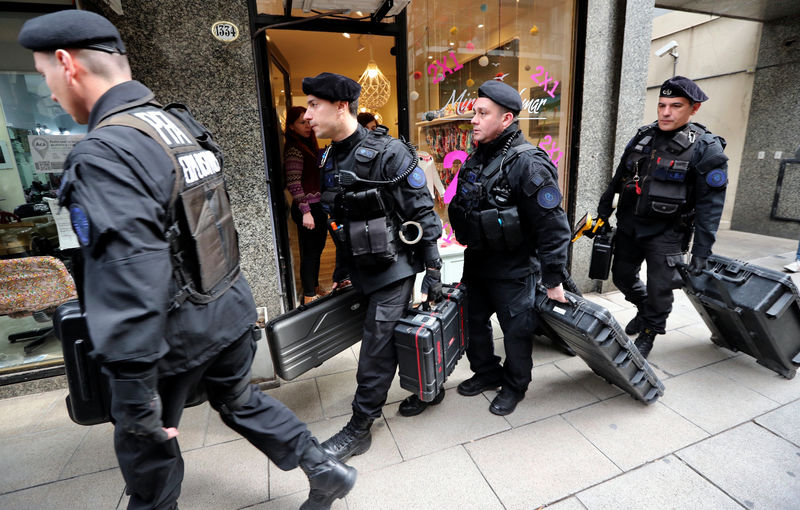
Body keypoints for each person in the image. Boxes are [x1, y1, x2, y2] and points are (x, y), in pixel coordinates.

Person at [19, 10, 355, 510]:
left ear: (67, 64)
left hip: (174, 327)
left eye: (45, 74)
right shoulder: (174, 124)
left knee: (145, 440)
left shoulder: (106, 152)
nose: (48, 91)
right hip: (227, 305)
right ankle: (323, 468)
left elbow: (129, 275)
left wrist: (132, 393)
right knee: (240, 400)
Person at [302, 72, 444, 461]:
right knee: (397, 336)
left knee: (375, 350)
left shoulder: (390, 152)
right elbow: (340, 219)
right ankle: (429, 386)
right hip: (362, 265)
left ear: (341, 106)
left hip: (393, 266)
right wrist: (343, 271)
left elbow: (422, 213)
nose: (308, 116)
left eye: (314, 106)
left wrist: (434, 273)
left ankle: (360, 427)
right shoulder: (330, 154)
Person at [448, 80, 571, 416]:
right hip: (477, 261)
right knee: (473, 323)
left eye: (482, 113)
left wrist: (553, 278)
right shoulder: (477, 156)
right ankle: (486, 372)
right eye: (475, 112)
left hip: (515, 268)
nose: (473, 119)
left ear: (506, 119)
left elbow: (553, 225)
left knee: (516, 331)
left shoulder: (529, 164)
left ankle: (515, 386)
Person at [597, 76, 728, 358]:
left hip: (668, 233)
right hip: (631, 225)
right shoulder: (644, 135)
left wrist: (703, 252)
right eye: (661, 105)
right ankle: (644, 309)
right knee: (621, 277)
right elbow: (619, 177)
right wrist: (602, 212)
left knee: (661, 289)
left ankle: (649, 331)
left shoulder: (707, 147)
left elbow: (711, 206)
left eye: (675, 106)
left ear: (694, 109)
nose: (666, 112)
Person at [284, 106, 329, 304]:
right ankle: (309, 296)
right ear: (292, 127)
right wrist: (306, 211)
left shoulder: (308, 146)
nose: (307, 126)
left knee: (316, 250)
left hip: (316, 207)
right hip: (307, 209)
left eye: (308, 121)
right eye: (301, 123)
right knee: (310, 253)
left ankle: (315, 288)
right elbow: (293, 183)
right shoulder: (294, 149)